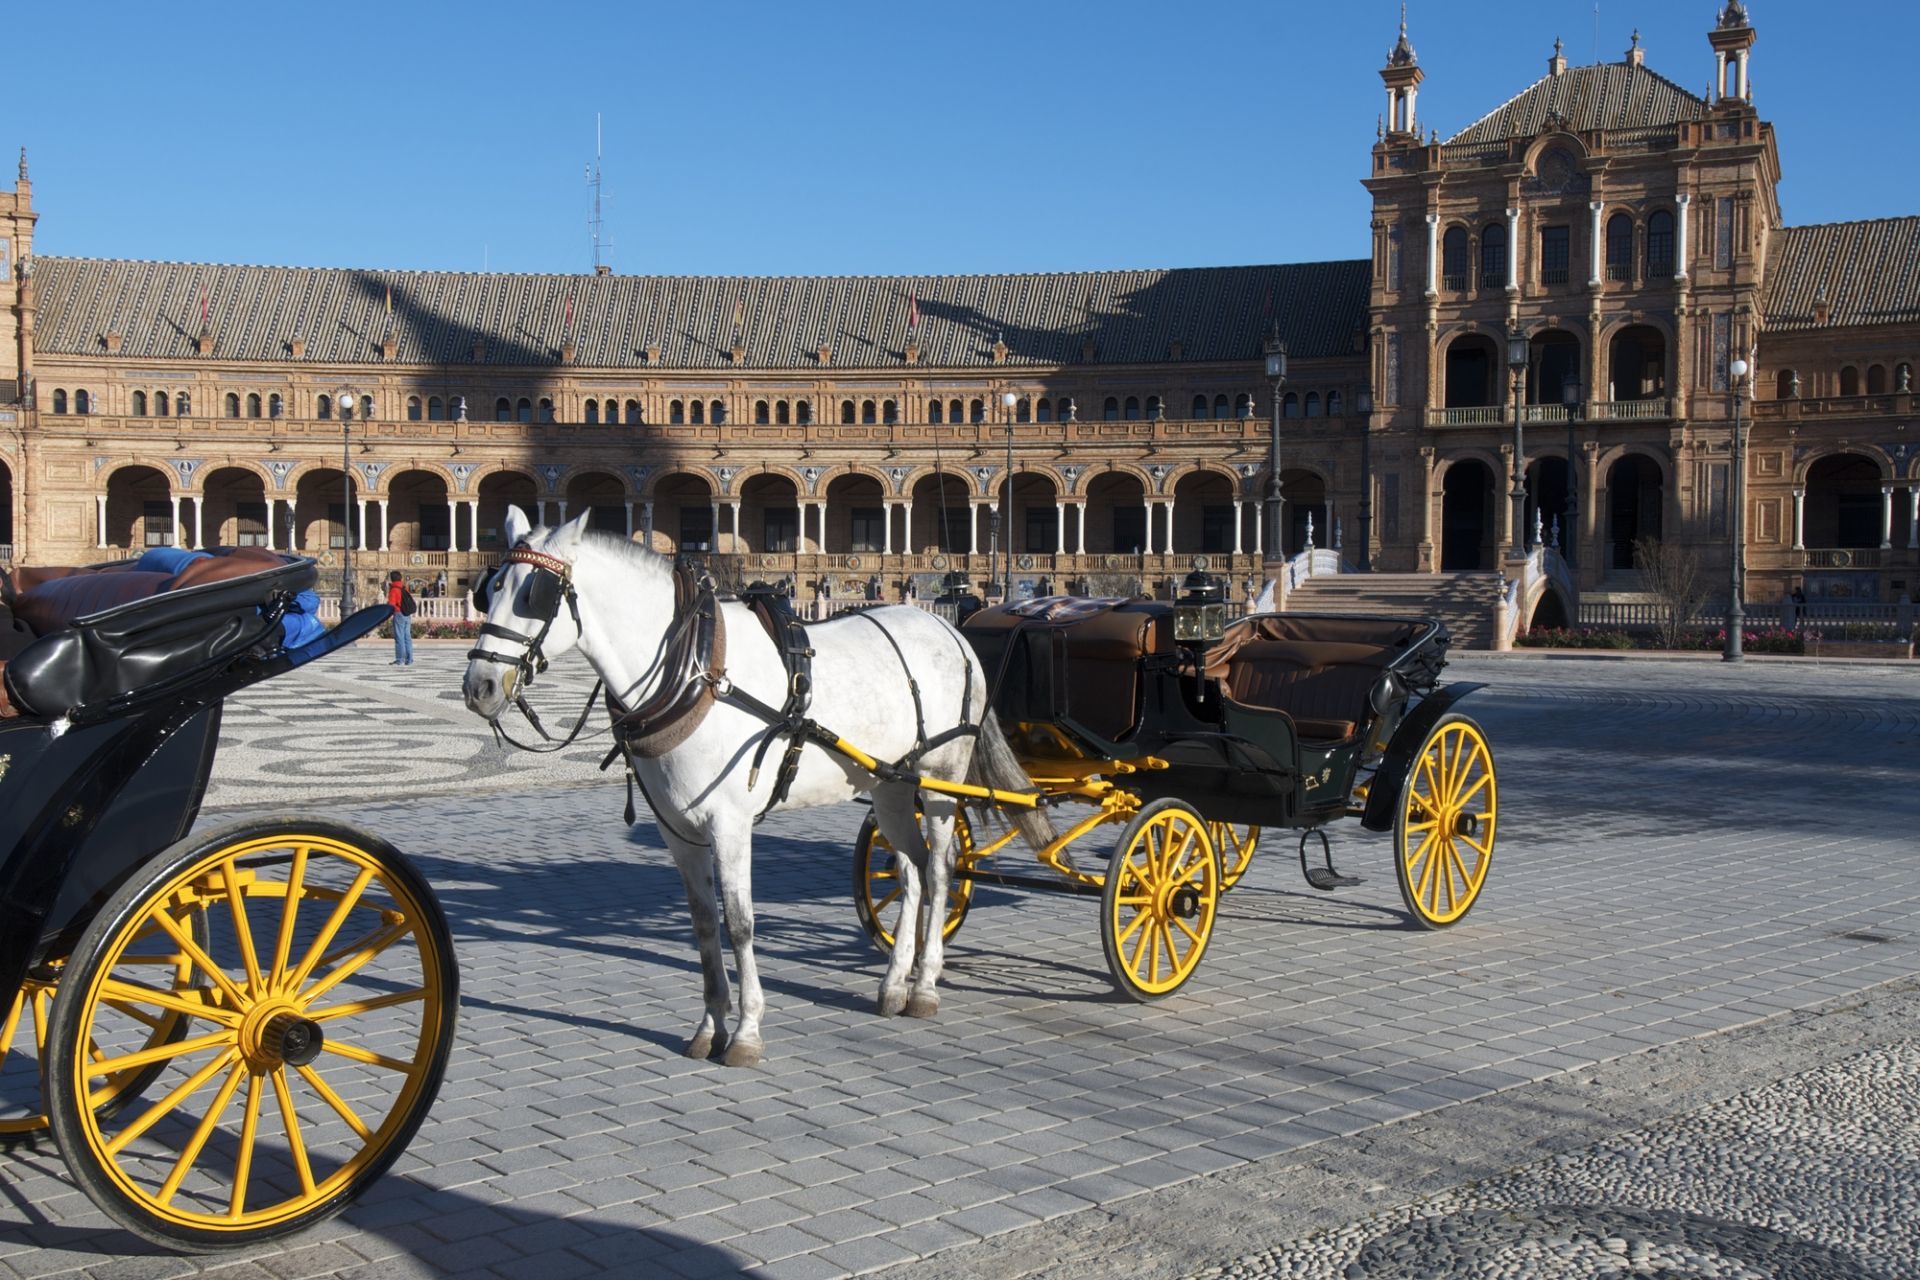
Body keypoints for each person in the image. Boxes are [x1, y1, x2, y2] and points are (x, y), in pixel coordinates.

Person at [387, 571, 415, 665]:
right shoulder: (404, 588)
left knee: (399, 637)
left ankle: (400, 659)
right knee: (407, 637)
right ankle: (409, 659)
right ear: (400, 578)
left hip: (399, 614)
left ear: (392, 579)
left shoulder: (394, 589)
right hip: (407, 614)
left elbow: (391, 604)